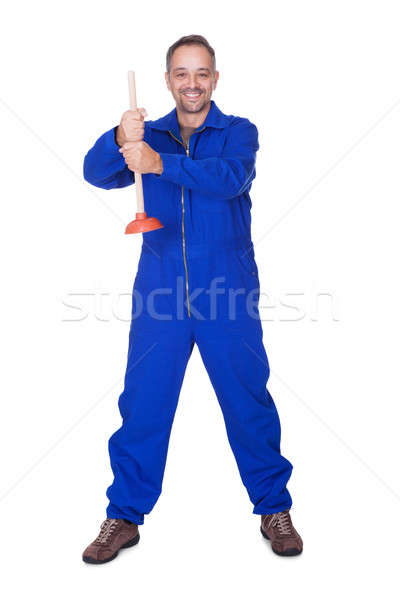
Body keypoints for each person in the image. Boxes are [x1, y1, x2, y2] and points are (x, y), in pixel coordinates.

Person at [82, 34, 303, 564]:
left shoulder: (238, 132)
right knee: (143, 402)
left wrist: (161, 164)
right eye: (181, 74)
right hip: (160, 292)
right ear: (167, 81)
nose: (192, 83)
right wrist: (118, 137)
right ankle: (124, 516)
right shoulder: (147, 134)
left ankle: (273, 506)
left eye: (201, 73)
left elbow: (230, 179)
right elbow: (96, 172)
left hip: (227, 289)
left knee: (248, 401)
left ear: (215, 80)